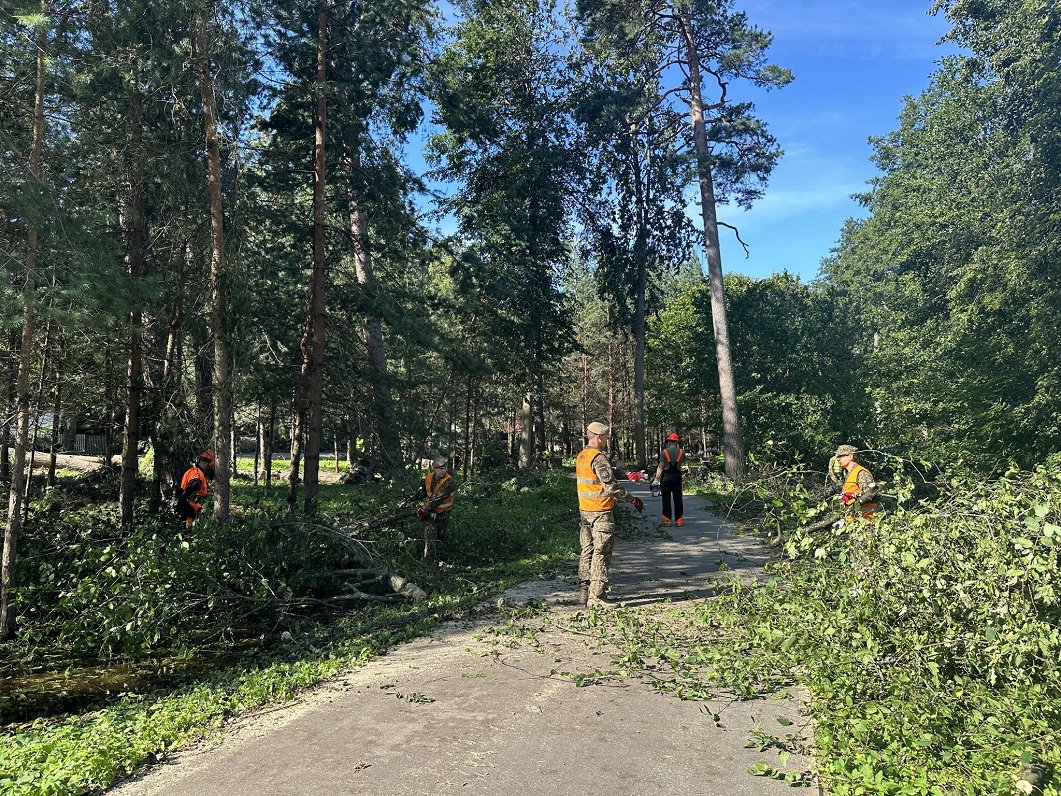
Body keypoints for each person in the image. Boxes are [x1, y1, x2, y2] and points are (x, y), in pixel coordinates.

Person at [575, 421, 644, 608]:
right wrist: (632, 499)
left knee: (587, 550)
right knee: (602, 552)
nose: (606, 440)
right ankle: (597, 596)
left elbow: (604, 474)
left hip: (585, 512)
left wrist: (627, 474)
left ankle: (584, 590)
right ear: (598, 437)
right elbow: (611, 486)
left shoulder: (582, 456)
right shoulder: (598, 458)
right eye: (605, 437)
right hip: (601, 512)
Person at [417, 455, 455, 562]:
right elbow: (423, 492)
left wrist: (425, 509)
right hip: (430, 512)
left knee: (439, 538)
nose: (443, 471)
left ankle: (439, 560)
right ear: (435, 469)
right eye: (440, 469)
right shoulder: (428, 478)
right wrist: (414, 498)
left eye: (445, 468)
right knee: (428, 535)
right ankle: (427, 558)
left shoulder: (449, 482)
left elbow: (439, 499)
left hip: (443, 514)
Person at [834, 444, 879, 522]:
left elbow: (870, 496)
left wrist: (853, 505)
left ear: (850, 457)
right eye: (838, 456)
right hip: (853, 521)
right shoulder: (848, 474)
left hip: (865, 521)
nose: (838, 459)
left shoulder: (861, 473)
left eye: (841, 456)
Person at [652, 432, 686, 526]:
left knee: (666, 498)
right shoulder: (681, 452)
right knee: (678, 498)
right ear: (677, 442)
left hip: (666, 477)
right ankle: (679, 520)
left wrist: (656, 479)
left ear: (668, 441)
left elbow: (660, 467)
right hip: (677, 477)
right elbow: (682, 464)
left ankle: (667, 520)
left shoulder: (664, 452)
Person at [177, 450, 215, 526]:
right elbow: (191, 490)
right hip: (190, 511)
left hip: (185, 508)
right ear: (208, 464)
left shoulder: (191, 471)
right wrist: (196, 510)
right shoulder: (198, 475)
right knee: (189, 531)